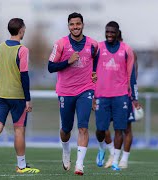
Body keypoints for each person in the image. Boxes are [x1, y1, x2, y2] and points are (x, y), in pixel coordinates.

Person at [0, 18, 40, 174]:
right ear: (21, 30)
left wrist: (2, 86)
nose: (24, 31)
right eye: (24, 29)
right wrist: (27, 99)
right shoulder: (23, 50)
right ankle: (21, 166)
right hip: (17, 97)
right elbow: (24, 76)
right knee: (19, 130)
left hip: (1, 94)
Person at [48, 12, 98, 176]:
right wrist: (67, 62)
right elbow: (50, 67)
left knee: (83, 126)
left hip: (86, 90)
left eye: (78, 24)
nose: (75, 27)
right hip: (66, 91)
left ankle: (79, 165)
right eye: (72, 24)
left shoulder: (93, 44)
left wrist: (95, 78)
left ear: (83, 25)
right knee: (66, 129)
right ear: (68, 26)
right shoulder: (60, 44)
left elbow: (96, 63)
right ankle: (66, 150)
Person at [92, 21, 135, 171]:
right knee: (100, 130)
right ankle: (102, 149)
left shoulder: (126, 50)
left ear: (118, 33)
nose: (109, 35)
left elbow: (131, 75)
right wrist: (92, 94)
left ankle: (116, 161)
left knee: (119, 129)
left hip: (121, 95)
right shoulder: (98, 48)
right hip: (101, 96)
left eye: (112, 32)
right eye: (107, 32)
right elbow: (91, 72)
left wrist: (134, 98)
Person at [101, 30, 142, 169]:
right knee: (104, 127)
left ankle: (124, 159)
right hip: (106, 95)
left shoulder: (128, 52)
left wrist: (135, 98)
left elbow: (133, 77)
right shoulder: (103, 50)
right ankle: (112, 153)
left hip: (124, 96)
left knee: (126, 129)